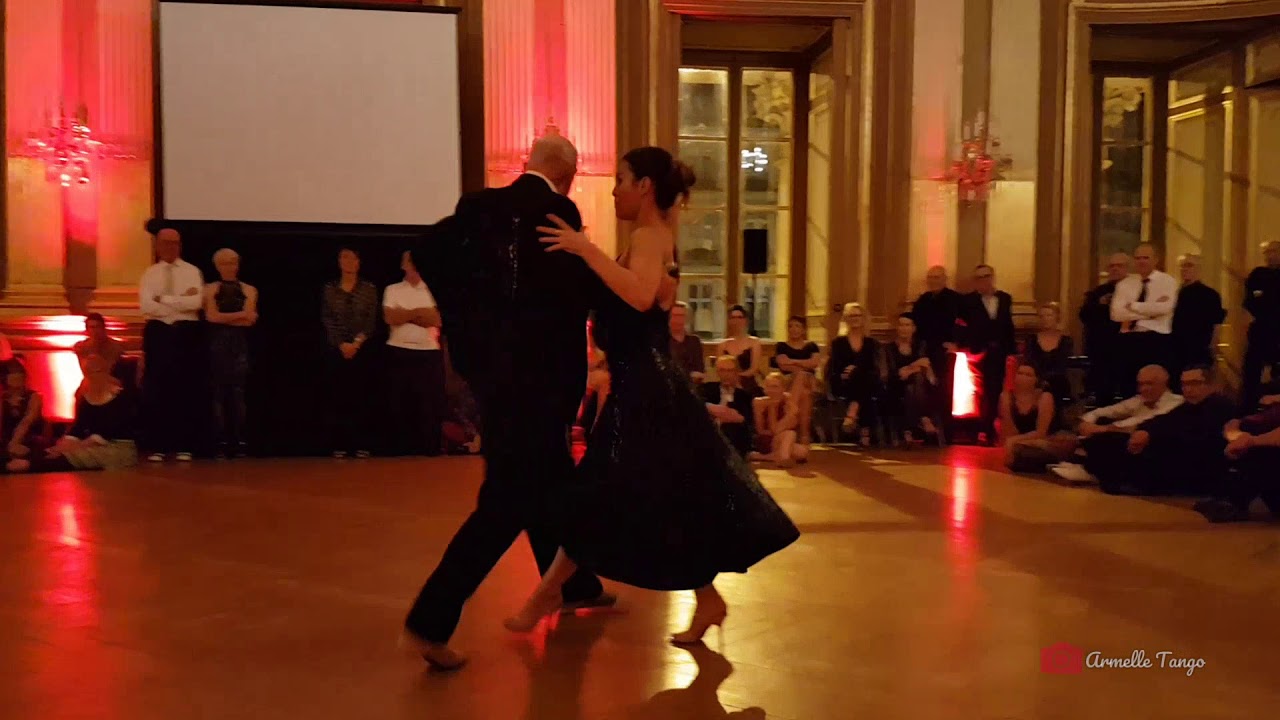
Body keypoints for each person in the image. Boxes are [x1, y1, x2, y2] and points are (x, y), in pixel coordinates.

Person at [502, 146, 800, 644]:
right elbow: (646, 297)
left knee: (597, 489)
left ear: (644, 186)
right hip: (645, 386)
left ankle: (549, 591)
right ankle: (706, 599)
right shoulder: (655, 237)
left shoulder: (646, 236)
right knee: (667, 496)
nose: (614, 188)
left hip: (647, 389)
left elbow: (639, 295)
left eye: (620, 179)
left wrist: (584, 248)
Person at [400, 133, 612, 671]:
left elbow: (426, 251)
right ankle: (431, 619)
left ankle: (576, 584)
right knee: (506, 505)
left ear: (528, 164)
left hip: (499, 384)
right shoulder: (558, 213)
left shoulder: (481, 207)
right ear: (568, 175)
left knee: (549, 484)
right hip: (540, 388)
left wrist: (472, 330)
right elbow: (574, 298)